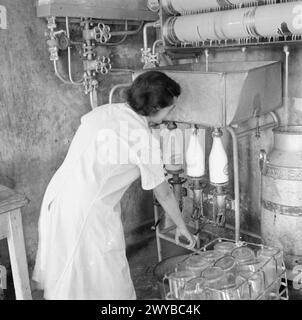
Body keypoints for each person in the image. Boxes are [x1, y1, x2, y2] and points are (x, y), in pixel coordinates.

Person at [32, 71, 196, 300]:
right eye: (170, 108)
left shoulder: (105, 112)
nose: (172, 112)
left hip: (58, 196)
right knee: (105, 278)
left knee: (71, 273)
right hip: (87, 212)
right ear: (156, 108)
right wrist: (181, 226)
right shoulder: (141, 138)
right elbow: (165, 193)